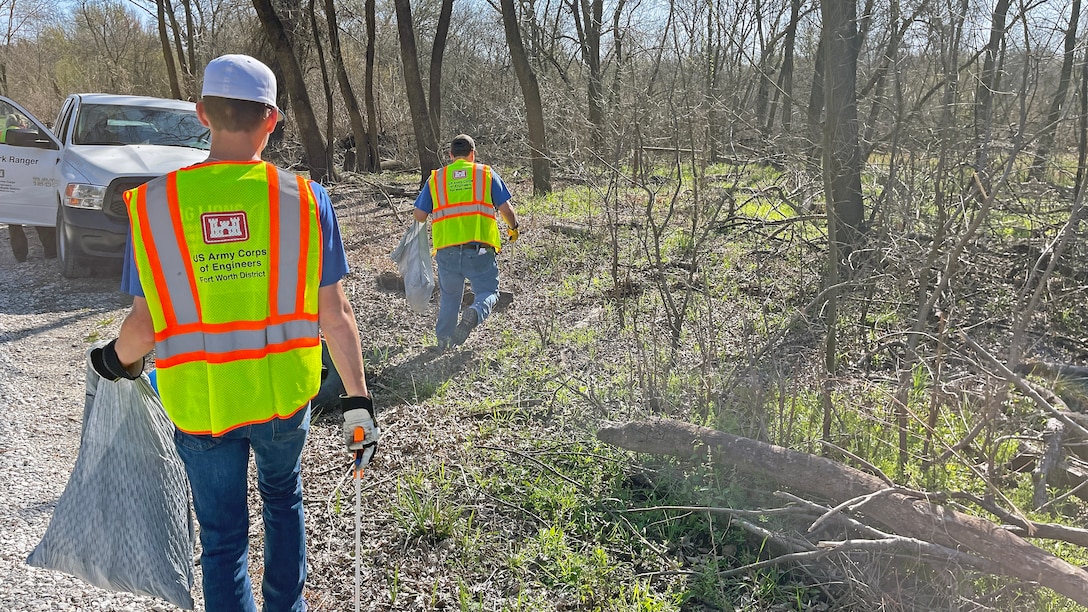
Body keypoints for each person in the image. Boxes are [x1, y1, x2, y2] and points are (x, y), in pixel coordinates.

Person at [89, 54, 379, 612]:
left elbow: (146, 325)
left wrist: (114, 362)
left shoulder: (154, 206)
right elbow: (335, 315)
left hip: (201, 404)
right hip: (281, 398)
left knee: (222, 538)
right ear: (271, 121)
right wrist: (358, 401)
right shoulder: (305, 200)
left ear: (201, 114)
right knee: (282, 502)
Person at [412, 134, 520, 349]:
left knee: (450, 297)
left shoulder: (437, 179)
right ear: (473, 154)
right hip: (479, 249)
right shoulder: (485, 174)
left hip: (447, 250)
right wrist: (513, 228)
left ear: (451, 155)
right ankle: (475, 311)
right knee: (488, 292)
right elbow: (506, 209)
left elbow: (419, 215)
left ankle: (444, 341)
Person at [2, 114, 56, 263]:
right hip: (27, 181)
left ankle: (20, 255)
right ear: (22, 125)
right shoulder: (24, 136)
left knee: (14, 223)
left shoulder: (3, 134)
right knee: (39, 215)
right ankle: (51, 251)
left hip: (9, 184)